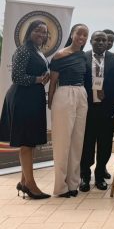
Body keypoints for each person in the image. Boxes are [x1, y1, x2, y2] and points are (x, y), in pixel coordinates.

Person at [0, 20, 51, 199]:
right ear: (29, 31)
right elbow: (17, 76)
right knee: (26, 142)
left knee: (30, 141)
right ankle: (31, 184)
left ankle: (23, 182)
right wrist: (39, 80)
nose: (41, 34)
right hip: (22, 98)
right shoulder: (23, 50)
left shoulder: (37, 50)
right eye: (38, 30)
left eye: (44, 32)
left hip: (32, 98)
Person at [80, 31, 114, 192]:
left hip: (108, 111)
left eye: (104, 40)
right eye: (97, 40)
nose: (101, 42)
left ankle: (100, 174)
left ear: (108, 42)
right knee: (86, 145)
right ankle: (84, 176)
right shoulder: (82, 58)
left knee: (105, 145)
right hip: (87, 109)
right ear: (91, 41)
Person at [48, 23, 89, 197]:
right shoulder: (59, 55)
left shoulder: (83, 56)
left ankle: (73, 183)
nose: (81, 37)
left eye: (85, 35)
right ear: (72, 34)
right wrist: (50, 101)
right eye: (79, 34)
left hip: (81, 93)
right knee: (62, 142)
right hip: (64, 93)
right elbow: (53, 81)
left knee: (77, 142)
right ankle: (60, 186)